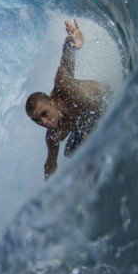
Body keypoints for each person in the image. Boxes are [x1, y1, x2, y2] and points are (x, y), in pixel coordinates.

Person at [25, 20, 111, 179]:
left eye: (44, 114)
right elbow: (50, 164)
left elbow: (68, 51)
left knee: (88, 148)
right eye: (38, 121)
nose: (44, 122)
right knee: (70, 152)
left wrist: (75, 39)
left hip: (106, 103)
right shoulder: (53, 135)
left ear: (51, 101)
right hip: (86, 122)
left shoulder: (63, 85)